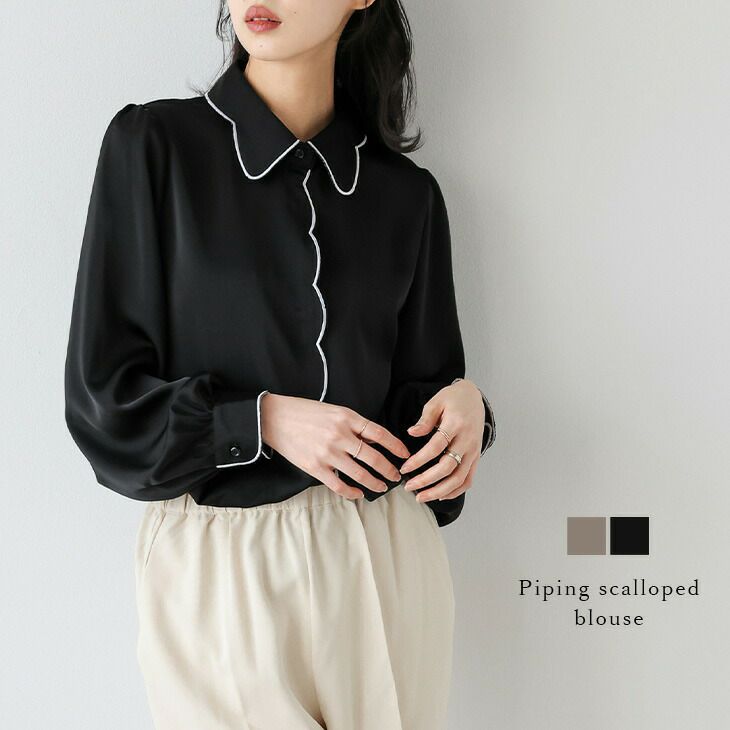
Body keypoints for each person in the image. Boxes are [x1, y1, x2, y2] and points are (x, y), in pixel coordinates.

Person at [64, 0, 496, 728]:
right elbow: (103, 405)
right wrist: (261, 421)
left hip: (385, 556)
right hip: (224, 567)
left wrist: (467, 411)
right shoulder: (154, 148)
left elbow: (422, 428)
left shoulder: (406, 195)